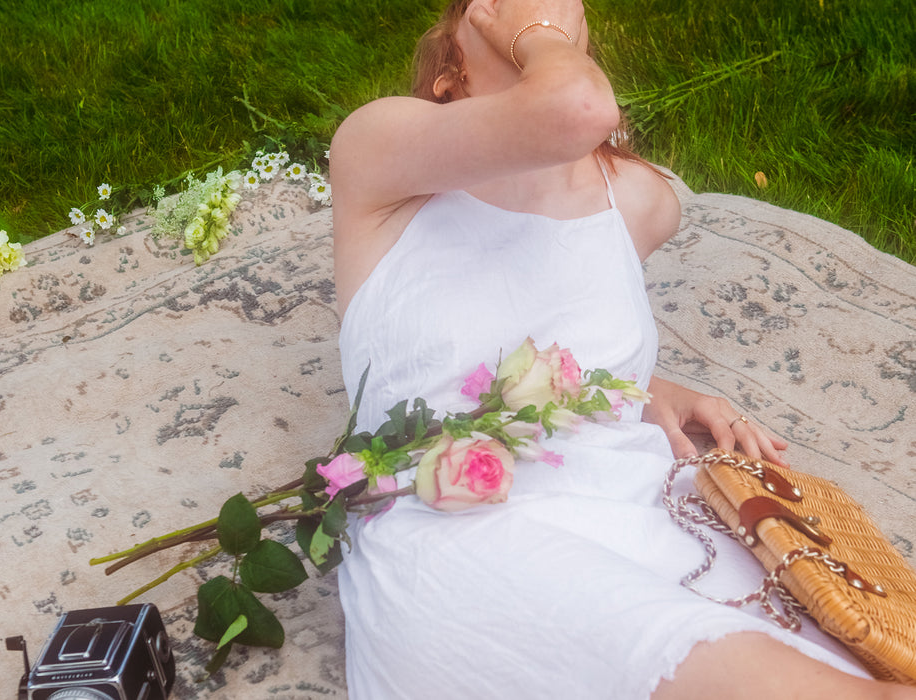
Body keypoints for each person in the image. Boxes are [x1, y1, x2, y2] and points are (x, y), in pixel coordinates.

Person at [328, 1, 916, 697]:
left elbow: (547, 309)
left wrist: (641, 383)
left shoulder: (637, 201)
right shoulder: (383, 151)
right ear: (446, 75)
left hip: (635, 507)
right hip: (456, 525)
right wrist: (539, 38)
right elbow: (569, 109)